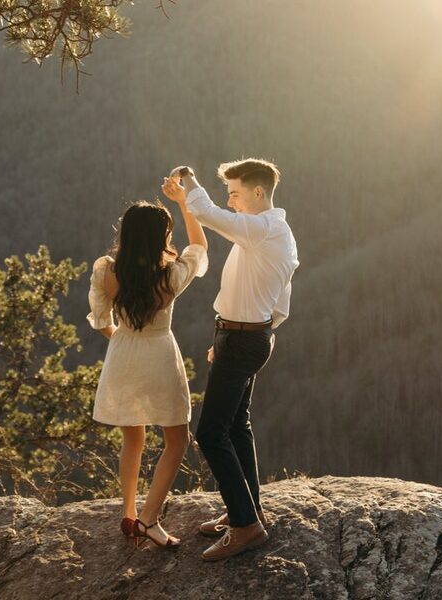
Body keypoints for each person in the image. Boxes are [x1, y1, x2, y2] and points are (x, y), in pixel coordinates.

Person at [161, 159, 299, 562]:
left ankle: (246, 526)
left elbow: (209, 214)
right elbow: (280, 300)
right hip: (244, 336)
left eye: (235, 193)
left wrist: (189, 183)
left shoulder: (265, 229)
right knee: (238, 424)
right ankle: (247, 508)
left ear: (258, 193)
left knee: (211, 432)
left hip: (243, 339)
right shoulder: (275, 233)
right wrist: (239, 334)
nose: (232, 202)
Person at [87, 198, 207, 548]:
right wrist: (186, 204)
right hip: (159, 356)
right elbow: (199, 246)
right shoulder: (169, 276)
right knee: (176, 440)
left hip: (122, 354)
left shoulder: (106, 271)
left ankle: (128, 512)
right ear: (160, 237)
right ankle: (148, 519)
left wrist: (125, 341)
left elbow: (99, 320)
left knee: (133, 438)